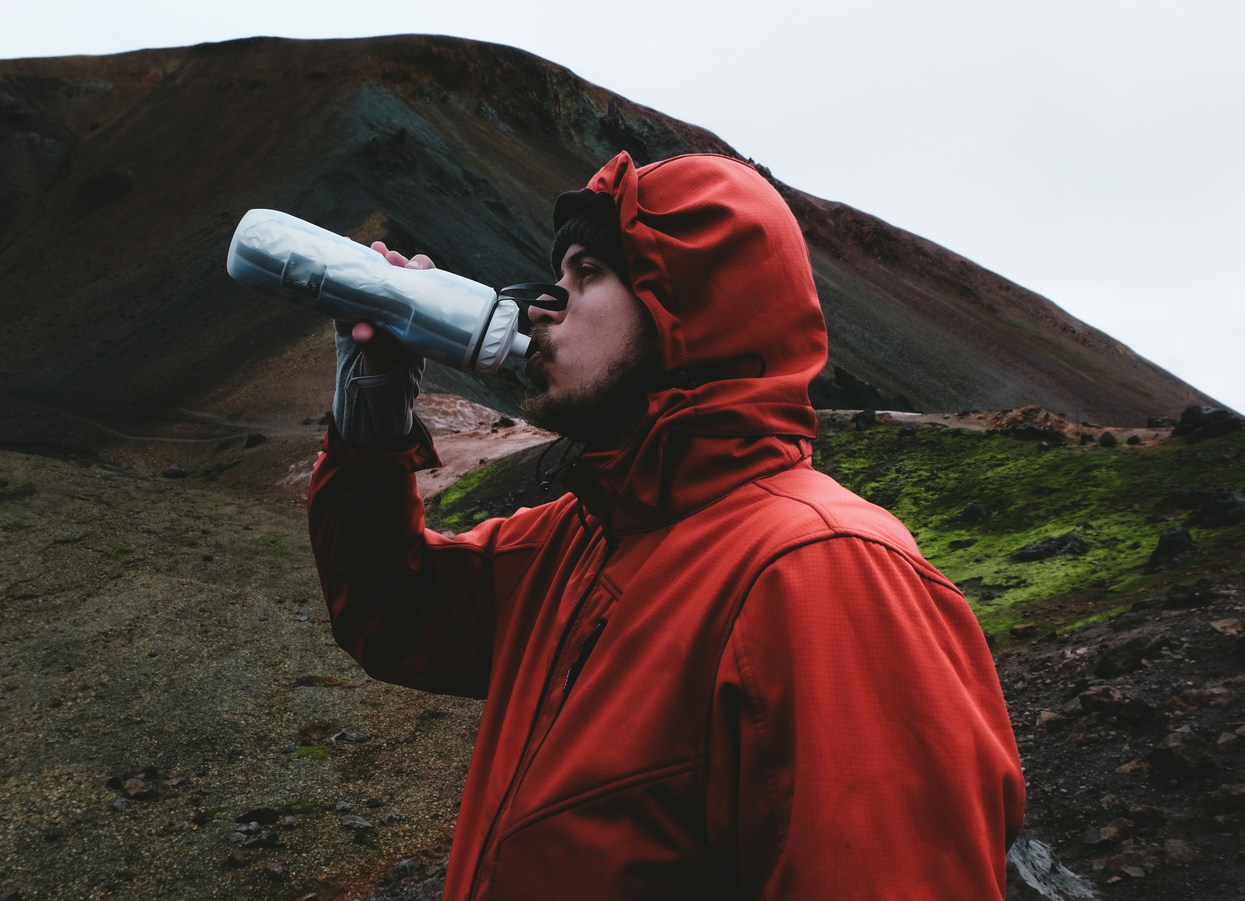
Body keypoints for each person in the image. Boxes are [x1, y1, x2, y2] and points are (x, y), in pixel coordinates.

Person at [308, 151, 1025, 900]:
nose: (545, 305)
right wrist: (373, 410)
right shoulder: (579, 540)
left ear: (687, 306)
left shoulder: (820, 569)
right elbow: (394, 610)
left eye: (588, 274)